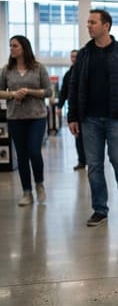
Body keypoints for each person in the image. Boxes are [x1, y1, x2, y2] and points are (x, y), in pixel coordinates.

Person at [67, 9, 118, 227]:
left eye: (93, 22)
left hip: (116, 118)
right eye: (87, 22)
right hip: (89, 119)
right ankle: (100, 209)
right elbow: (73, 87)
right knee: (94, 165)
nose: (88, 26)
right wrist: (72, 116)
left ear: (106, 25)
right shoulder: (83, 55)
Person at [0, 35, 52, 206]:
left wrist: (29, 91)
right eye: (10, 46)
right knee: (22, 156)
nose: (12, 49)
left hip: (36, 117)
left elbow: (49, 91)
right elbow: (0, 92)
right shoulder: (6, 70)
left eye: (15, 46)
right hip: (15, 117)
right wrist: (13, 94)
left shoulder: (38, 68)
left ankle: (39, 184)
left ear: (24, 48)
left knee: (34, 151)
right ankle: (27, 192)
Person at [57, 49, 86, 170]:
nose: (73, 59)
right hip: (75, 109)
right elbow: (64, 92)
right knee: (78, 136)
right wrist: (59, 106)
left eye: (75, 56)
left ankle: (94, 161)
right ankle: (82, 161)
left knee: (90, 137)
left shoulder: (85, 71)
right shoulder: (68, 74)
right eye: (72, 57)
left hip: (87, 110)